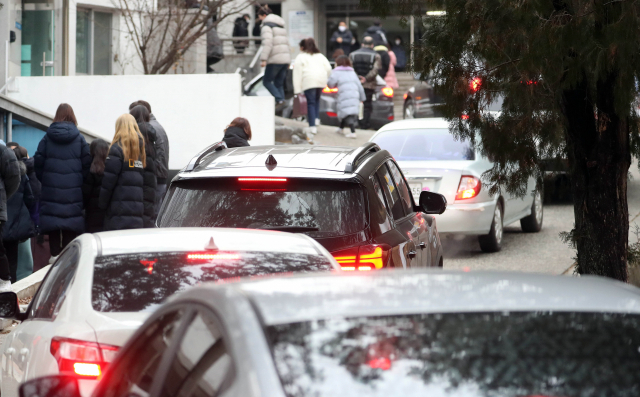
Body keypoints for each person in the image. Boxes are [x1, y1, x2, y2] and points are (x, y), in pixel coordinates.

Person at [34, 103, 91, 261]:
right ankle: (69, 260)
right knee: (70, 224)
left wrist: (45, 179)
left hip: (51, 190)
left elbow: (37, 162)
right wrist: (78, 181)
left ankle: (53, 256)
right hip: (73, 192)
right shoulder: (80, 139)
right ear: (72, 116)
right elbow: (87, 165)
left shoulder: (47, 138)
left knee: (53, 223)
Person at [99, 114, 147, 231]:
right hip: (137, 211)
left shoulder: (116, 149)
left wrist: (101, 205)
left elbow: (108, 183)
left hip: (118, 211)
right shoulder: (140, 152)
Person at [130, 100, 169, 218]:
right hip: (159, 177)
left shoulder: (148, 128)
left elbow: (151, 156)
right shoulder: (156, 126)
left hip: (154, 179)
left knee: (149, 217)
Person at [3, 148, 36, 283]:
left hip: (2, 223)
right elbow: (30, 198)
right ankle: (12, 289)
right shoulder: (22, 174)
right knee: (12, 261)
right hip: (14, 226)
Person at [293, 38, 332, 135]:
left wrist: (297, 90)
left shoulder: (301, 57)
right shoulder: (320, 56)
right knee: (316, 100)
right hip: (321, 80)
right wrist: (325, 77)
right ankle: (316, 119)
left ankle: (312, 126)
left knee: (310, 102)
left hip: (309, 81)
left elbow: (297, 74)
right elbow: (328, 68)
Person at [129, 105, 157, 228]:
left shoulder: (134, 137)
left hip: (138, 183)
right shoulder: (151, 137)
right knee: (147, 216)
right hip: (151, 182)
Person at [328, 55, 365, 139]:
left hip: (344, 94)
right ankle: (341, 128)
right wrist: (362, 98)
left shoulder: (336, 72)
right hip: (354, 94)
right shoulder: (352, 72)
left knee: (347, 113)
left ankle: (353, 132)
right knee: (346, 112)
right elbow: (359, 86)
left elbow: (330, 84)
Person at [259, 8, 291, 108]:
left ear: (264, 15)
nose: (259, 19)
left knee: (266, 81)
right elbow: (287, 43)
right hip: (285, 60)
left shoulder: (266, 27)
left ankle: (279, 99)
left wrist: (264, 59)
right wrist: (288, 60)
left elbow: (267, 43)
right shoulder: (281, 27)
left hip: (274, 59)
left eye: (259, 17)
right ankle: (281, 103)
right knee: (278, 83)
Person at [349, 36, 381, 129]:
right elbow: (375, 70)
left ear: (362, 44)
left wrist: (358, 78)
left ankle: (355, 123)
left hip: (355, 84)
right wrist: (365, 79)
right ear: (372, 45)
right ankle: (365, 124)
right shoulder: (376, 56)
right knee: (367, 105)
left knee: (355, 103)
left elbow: (351, 68)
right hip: (369, 85)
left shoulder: (352, 54)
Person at [82, 139, 109, 233]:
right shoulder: (111, 170)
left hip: (91, 216)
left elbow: (85, 195)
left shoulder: (90, 171)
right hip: (106, 216)